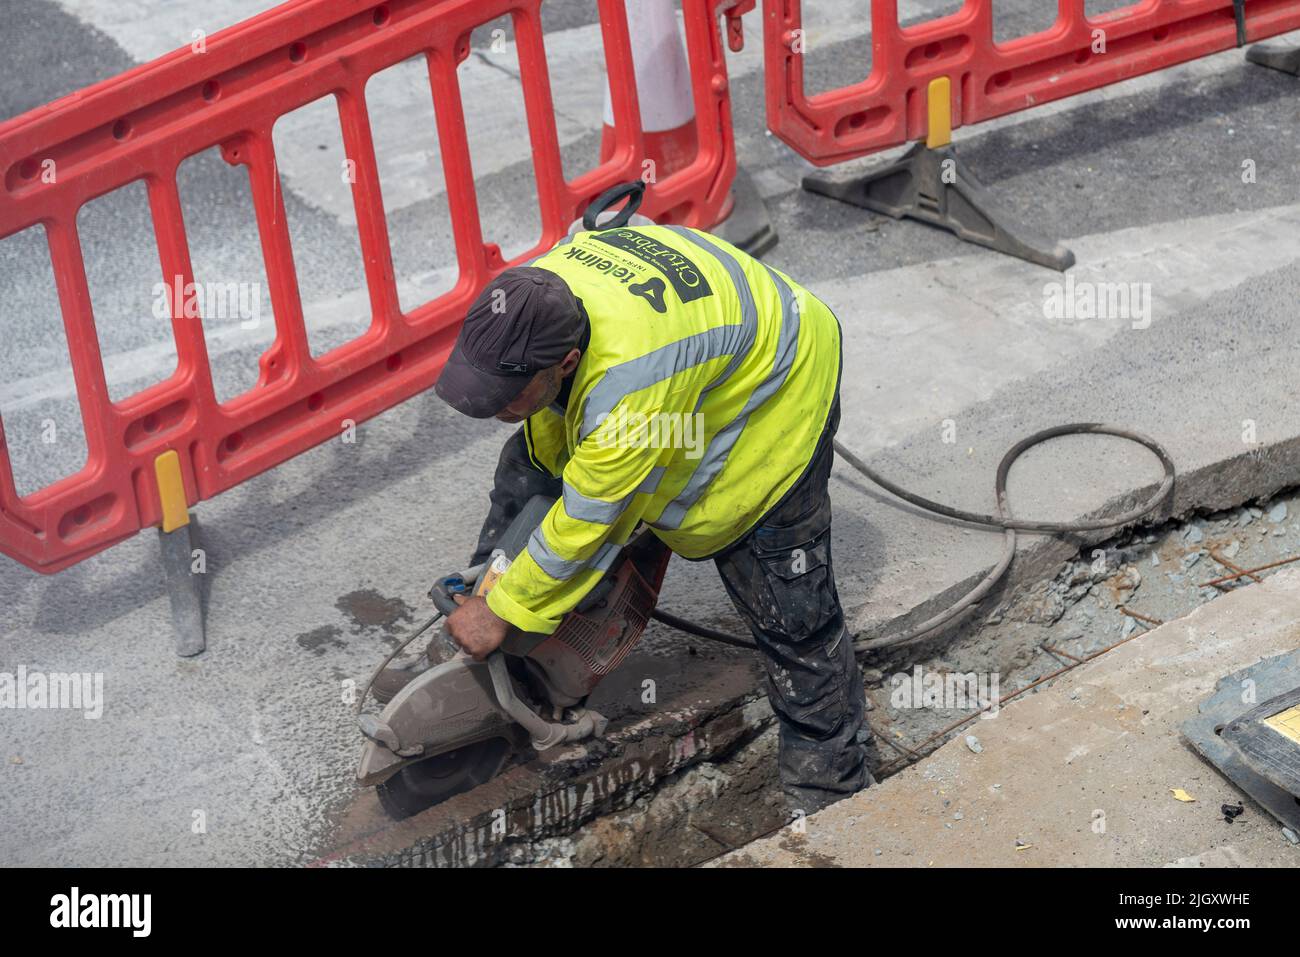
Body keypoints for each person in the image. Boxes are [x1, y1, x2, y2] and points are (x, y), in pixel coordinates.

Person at [432, 223, 868, 813]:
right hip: (698, 346)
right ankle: (507, 609)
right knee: (529, 463)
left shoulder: (630, 385)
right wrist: (498, 583)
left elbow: (592, 519)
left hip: (782, 376)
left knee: (788, 604)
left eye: (508, 394)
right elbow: (555, 427)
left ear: (566, 361)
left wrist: (504, 609)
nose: (494, 409)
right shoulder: (534, 294)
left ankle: (833, 786)